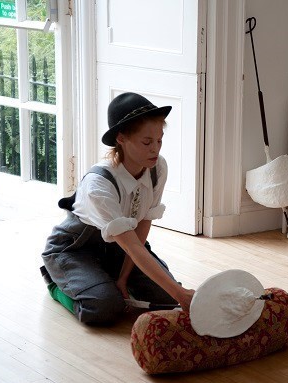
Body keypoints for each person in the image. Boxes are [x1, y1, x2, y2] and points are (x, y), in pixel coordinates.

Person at [41, 92, 194, 324]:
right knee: (103, 307)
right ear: (121, 138)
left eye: (160, 140)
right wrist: (181, 294)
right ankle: (57, 283)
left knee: (167, 299)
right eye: (147, 142)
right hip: (76, 249)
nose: (156, 149)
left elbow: (140, 231)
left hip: (121, 248)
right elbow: (131, 244)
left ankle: (110, 280)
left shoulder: (157, 168)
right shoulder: (99, 184)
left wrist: (124, 278)